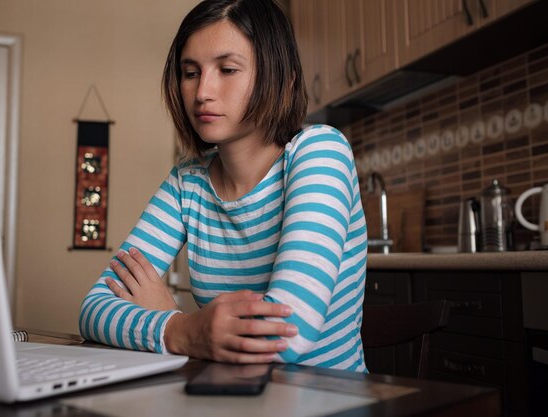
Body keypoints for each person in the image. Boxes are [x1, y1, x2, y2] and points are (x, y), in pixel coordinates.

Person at [79, 0, 368, 371]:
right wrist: (182, 328)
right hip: (230, 400)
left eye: (228, 69)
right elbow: (94, 307)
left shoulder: (320, 151)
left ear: (283, 79)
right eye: (190, 72)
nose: (202, 92)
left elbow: (285, 336)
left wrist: (178, 325)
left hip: (328, 401)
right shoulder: (188, 180)